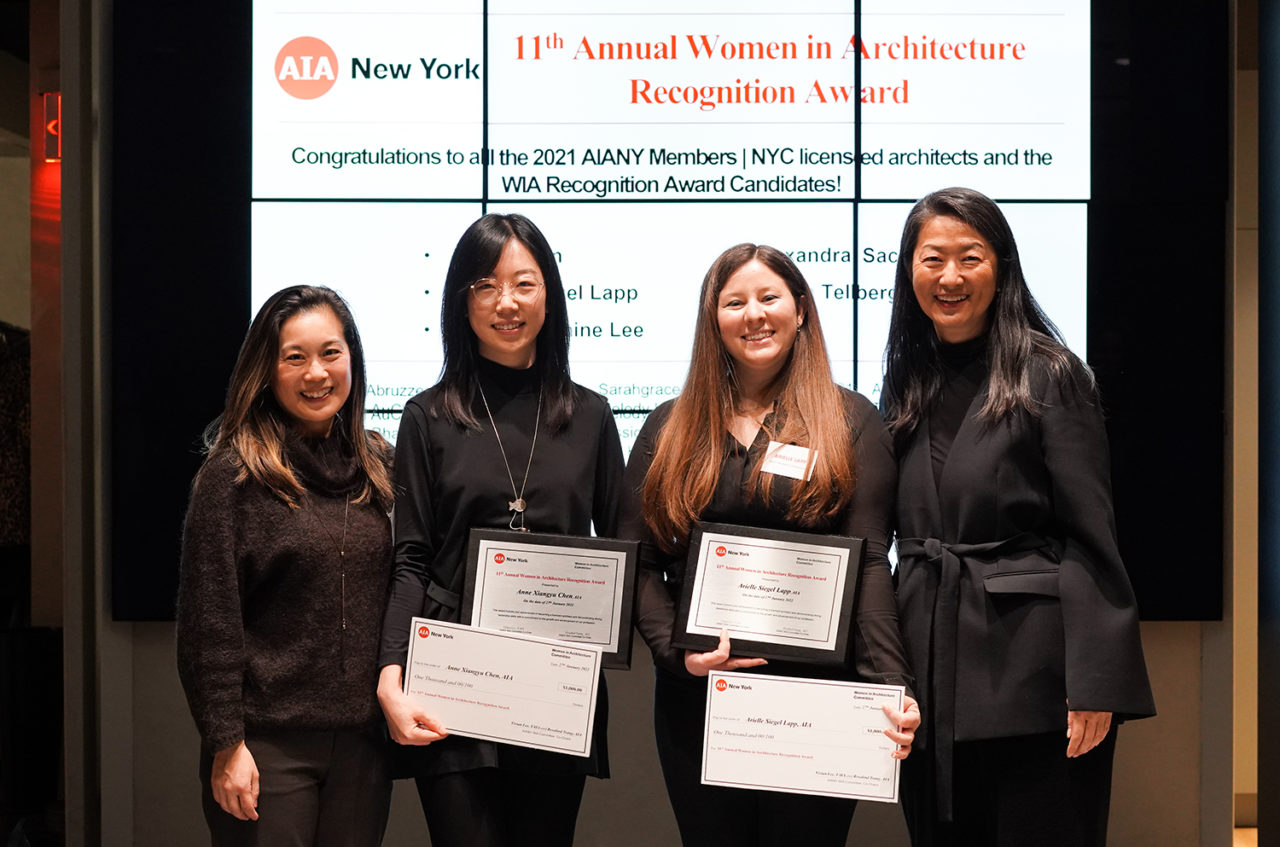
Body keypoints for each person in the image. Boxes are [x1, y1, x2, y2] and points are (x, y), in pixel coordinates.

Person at [881, 187, 1157, 847]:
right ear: (908, 269)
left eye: (969, 257)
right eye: (933, 258)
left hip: (1035, 681)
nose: (950, 276)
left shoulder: (1052, 373)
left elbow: (1092, 538)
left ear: (1001, 266)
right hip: (928, 679)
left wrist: (1094, 684)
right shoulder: (904, 383)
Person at [620, 243, 920, 847]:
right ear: (714, 320)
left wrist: (893, 684)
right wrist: (678, 657)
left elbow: (866, 564)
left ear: (801, 309)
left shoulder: (851, 421)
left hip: (819, 703)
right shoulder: (668, 426)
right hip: (702, 697)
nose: (753, 314)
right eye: (734, 302)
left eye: (769, 297)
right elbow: (639, 565)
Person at [376, 213, 624, 847]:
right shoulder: (427, 416)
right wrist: (390, 673)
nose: (506, 303)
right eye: (485, 286)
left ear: (551, 294)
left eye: (524, 283)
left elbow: (625, 553)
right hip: (454, 674)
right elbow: (411, 559)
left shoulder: (592, 416)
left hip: (553, 679)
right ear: (463, 301)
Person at [177, 285, 395, 846]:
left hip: (363, 747)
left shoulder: (379, 467)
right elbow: (209, 625)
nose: (316, 373)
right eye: (294, 357)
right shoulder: (233, 476)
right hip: (266, 747)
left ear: (354, 359)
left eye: (331, 352)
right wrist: (227, 744)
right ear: (266, 370)